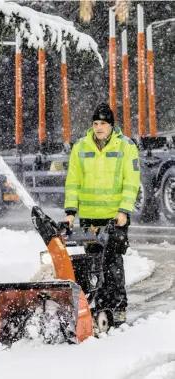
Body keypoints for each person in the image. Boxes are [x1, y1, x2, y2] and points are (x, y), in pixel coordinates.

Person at [64, 102, 140, 327]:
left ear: (111, 126)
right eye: (95, 123)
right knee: (93, 263)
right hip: (89, 217)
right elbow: (73, 182)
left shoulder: (126, 147)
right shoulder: (80, 147)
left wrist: (124, 211)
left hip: (114, 217)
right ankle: (95, 304)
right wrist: (70, 213)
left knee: (113, 261)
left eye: (103, 124)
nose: (98, 128)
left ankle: (117, 307)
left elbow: (131, 182)